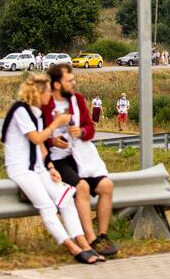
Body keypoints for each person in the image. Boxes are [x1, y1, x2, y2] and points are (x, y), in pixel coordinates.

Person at [1, 74, 102, 264]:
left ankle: (85, 245)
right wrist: (56, 123)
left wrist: (50, 166)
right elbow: (37, 139)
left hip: (38, 167)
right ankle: (73, 249)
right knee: (47, 206)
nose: (50, 96)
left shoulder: (36, 113)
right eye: (47, 92)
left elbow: (41, 147)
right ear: (38, 93)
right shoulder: (20, 110)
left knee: (67, 198)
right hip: (21, 168)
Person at [42, 64, 119, 256]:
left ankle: (102, 235)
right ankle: (91, 239)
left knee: (107, 186)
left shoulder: (77, 100)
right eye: (70, 80)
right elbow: (37, 135)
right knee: (82, 187)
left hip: (80, 155)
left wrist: (82, 131)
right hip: (57, 159)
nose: (73, 83)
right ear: (57, 84)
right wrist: (52, 140)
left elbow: (90, 128)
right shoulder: (46, 103)